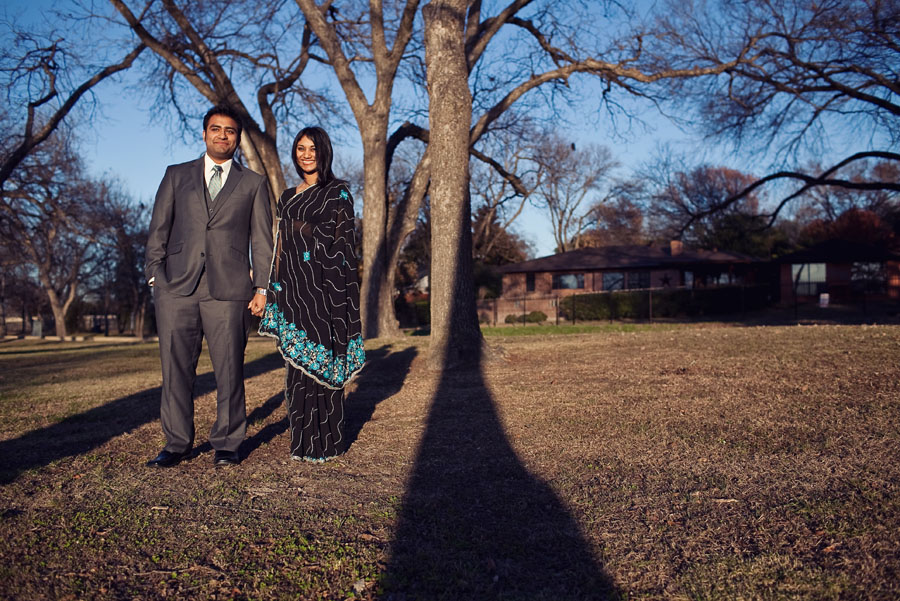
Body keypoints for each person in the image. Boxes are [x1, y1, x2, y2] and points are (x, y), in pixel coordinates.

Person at [145, 105, 274, 468]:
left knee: (230, 369)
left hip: (230, 290)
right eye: (216, 129)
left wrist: (262, 288)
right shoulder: (176, 175)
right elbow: (158, 228)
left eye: (230, 131)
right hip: (176, 288)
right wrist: (155, 274)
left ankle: (228, 443)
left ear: (238, 138)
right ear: (204, 134)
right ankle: (176, 443)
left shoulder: (253, 183)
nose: (222, 135)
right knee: (175, 370)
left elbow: (262, 241)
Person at [257, 126, 364, 462]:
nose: (306, 154)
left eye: (313, 148)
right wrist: (269, 287)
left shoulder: (338, 193)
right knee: (297, 367)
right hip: (291, 291)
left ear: (324, 152)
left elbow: (345, 245)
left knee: (323, 363)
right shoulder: (288, 196)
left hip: (324, 291)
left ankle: (327, 443)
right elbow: (279, 248)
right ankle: (302, 442)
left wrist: (299, 230)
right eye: (300, 148)